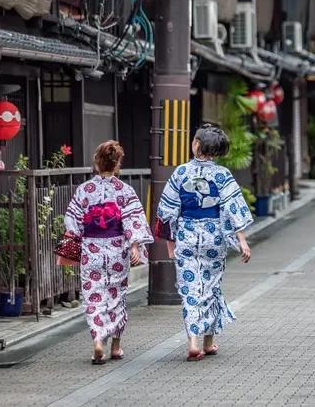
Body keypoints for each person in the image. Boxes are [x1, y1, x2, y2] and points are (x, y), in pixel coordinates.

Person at [156, 124, 253, 362]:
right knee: (210, 288)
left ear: (197, 144)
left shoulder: (180, 172)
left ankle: (194, 342)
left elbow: (167, 210)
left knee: (190, 290)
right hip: (213, 238)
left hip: (187, 236)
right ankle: (208, 342)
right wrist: (242, 241)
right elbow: (234, 208)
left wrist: (170, 244)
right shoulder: (222, 175)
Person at [64, 140, 152, 365]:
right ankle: (115, 346)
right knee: (116, 296)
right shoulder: (125, 190)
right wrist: (134, 245)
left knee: (93, 296)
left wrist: (78, 239)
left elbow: (72, 221)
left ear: (96, 162)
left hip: (91, 249)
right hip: (116, 250)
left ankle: (98, 340)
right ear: (118, 163)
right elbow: (133, 220)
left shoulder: (84, 190)